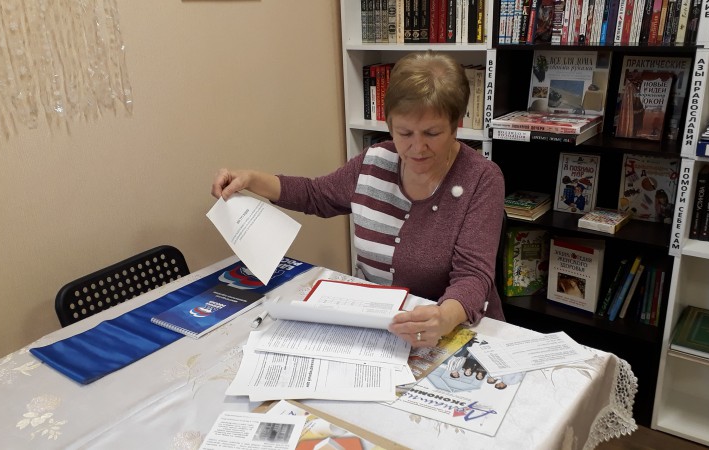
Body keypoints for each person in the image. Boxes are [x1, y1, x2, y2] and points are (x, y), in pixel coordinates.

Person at [211, 51, 506, 347]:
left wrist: (443, 318)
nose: (417, 147)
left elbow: (473, 276)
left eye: (432, 133)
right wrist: (251, 180)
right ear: (389, 125)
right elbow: (315, 195)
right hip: (380, 328)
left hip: (454, 331)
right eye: (404, 133)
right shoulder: (374, 162)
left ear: (455, 125)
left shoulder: (481, 178)